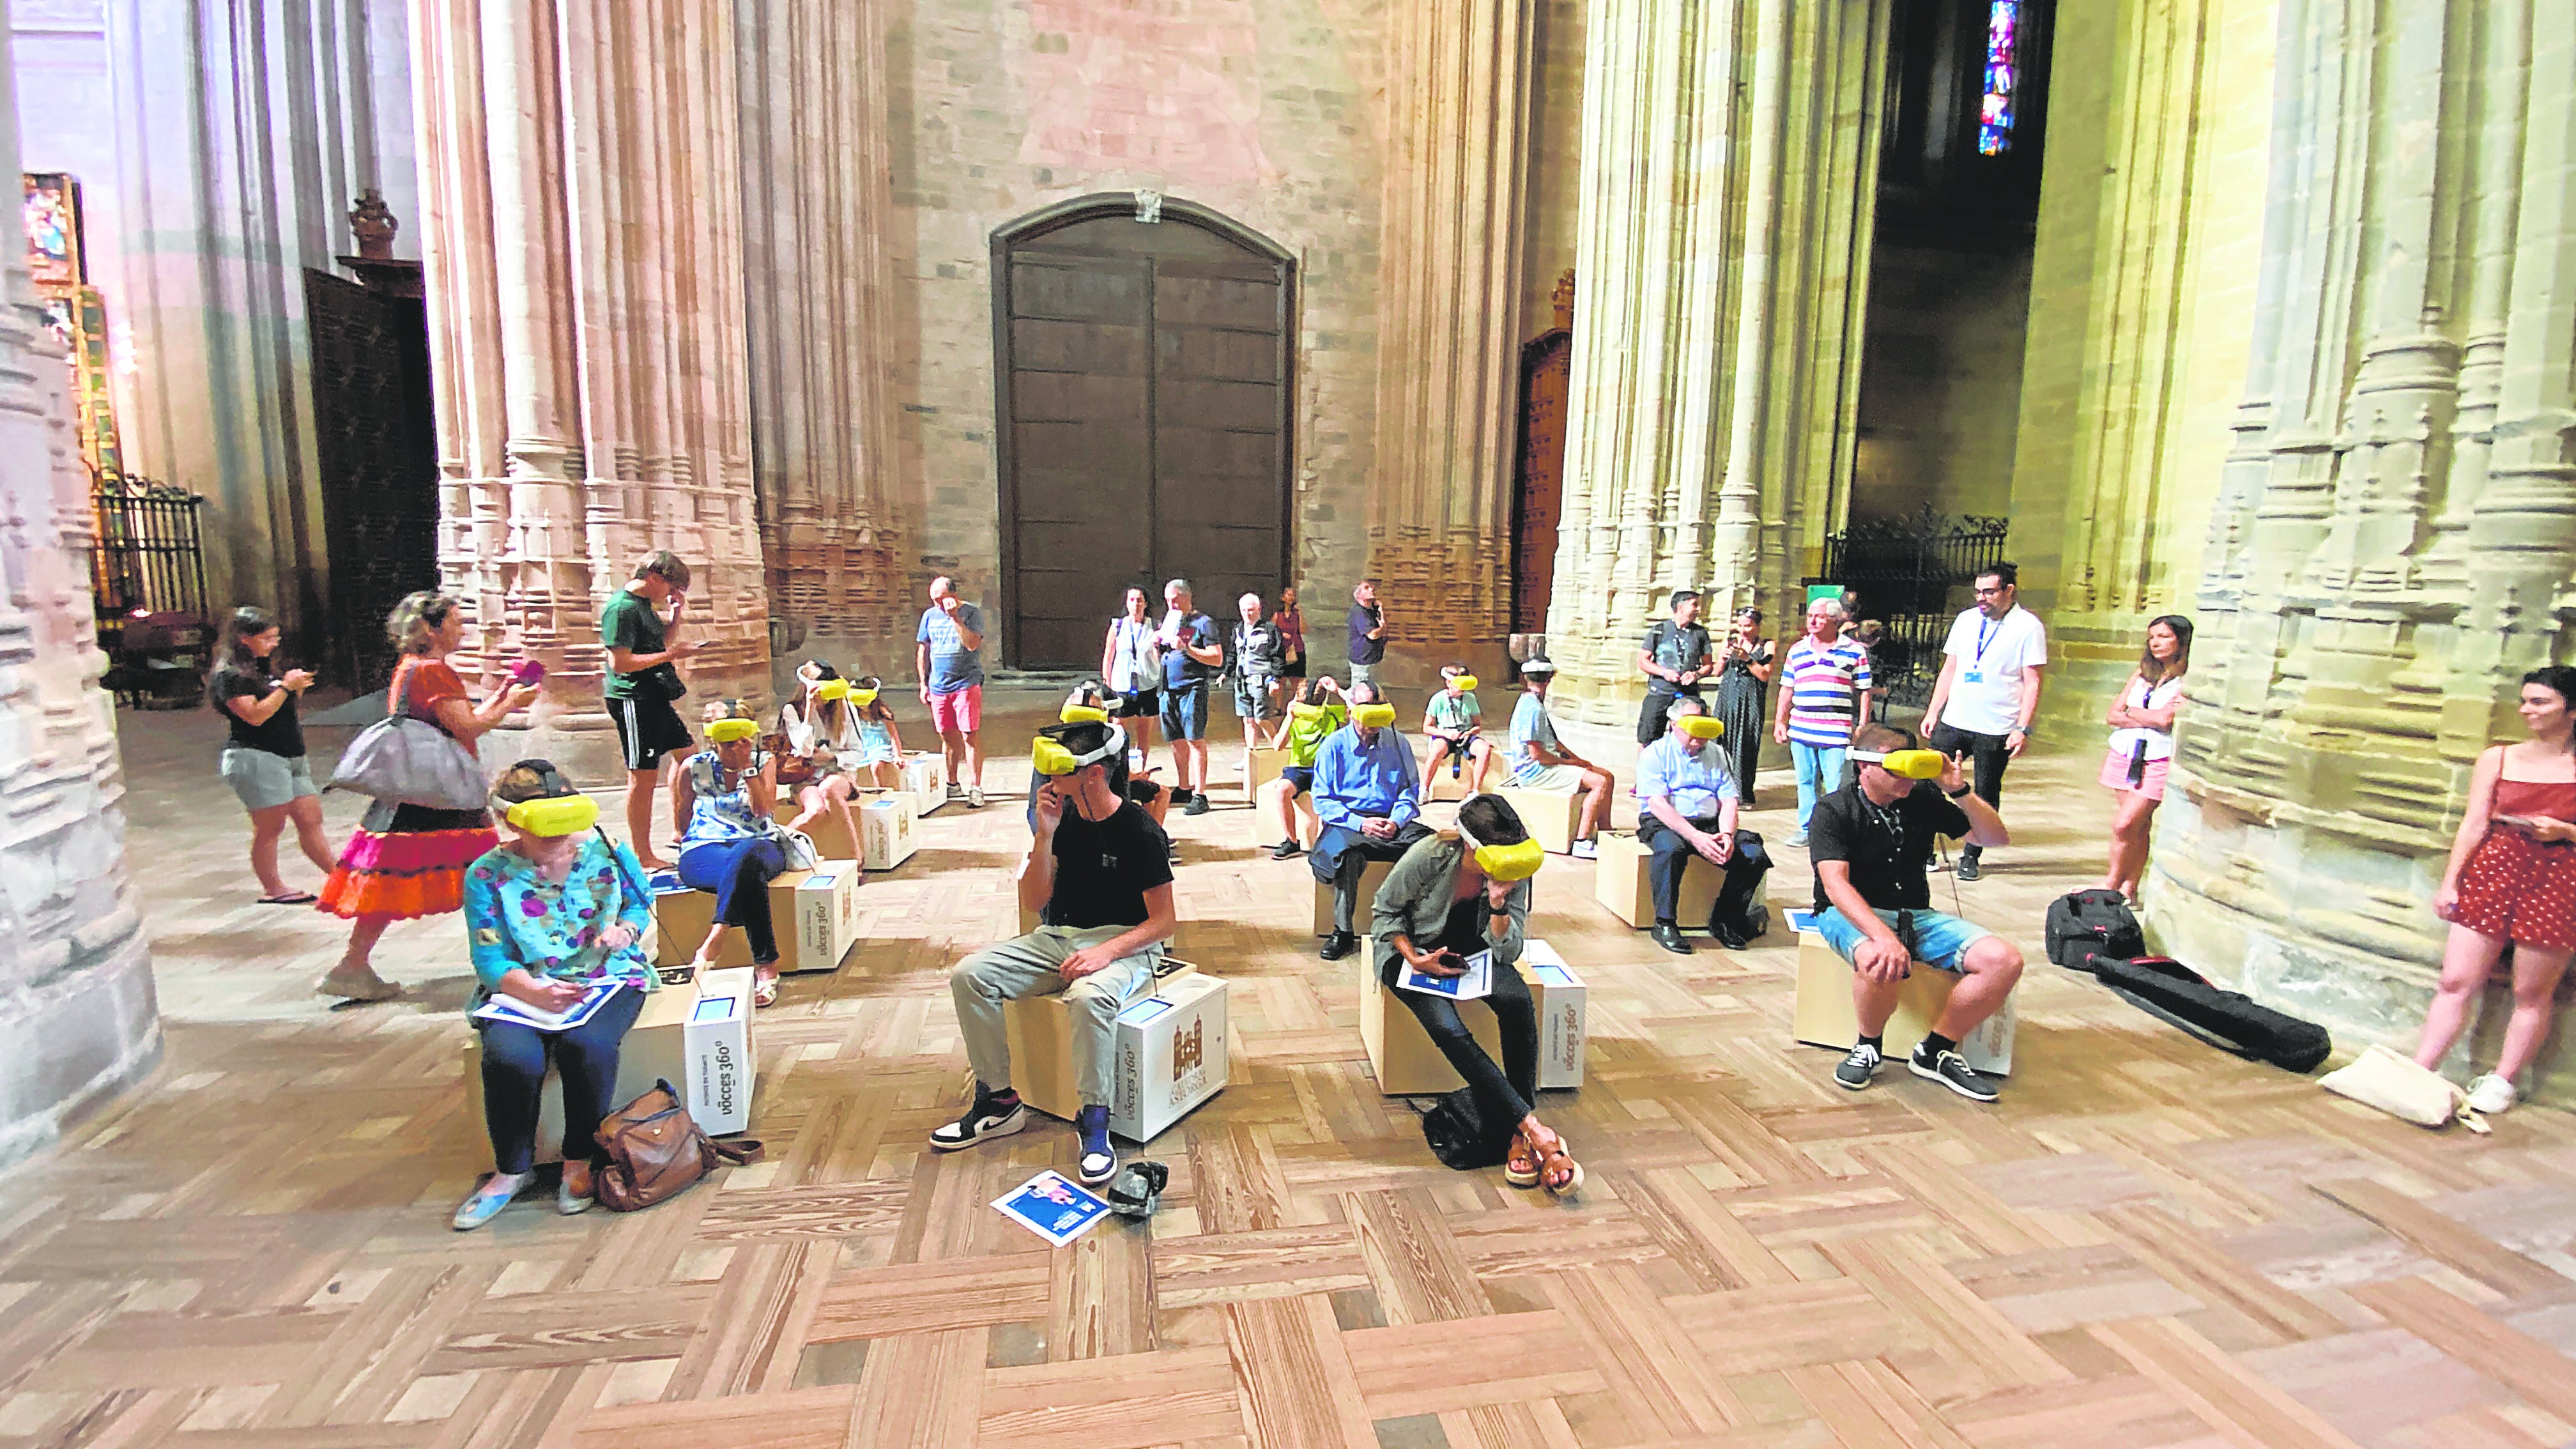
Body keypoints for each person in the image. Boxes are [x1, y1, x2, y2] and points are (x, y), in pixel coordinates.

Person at [937, 719, 1177, 1186]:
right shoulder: (1063, 819)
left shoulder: (1140, 829)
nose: (1050, 782)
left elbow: (1164, 923)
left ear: (1094, 774)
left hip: (1129, 944)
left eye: (1061, 770)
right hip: (1060, 936)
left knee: (1089, 998)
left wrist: (1107, 952)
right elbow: (1034, 901)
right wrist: (1043, 836)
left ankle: (1094, 1121)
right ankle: (1000, 1102)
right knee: (970, 975)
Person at [450, 760, 656, 1229]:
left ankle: (579, 1160)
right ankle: (511, 1170)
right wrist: (533, 991)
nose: (558, 846)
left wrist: (626, 930)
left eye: (565, 831)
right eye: (546, 835)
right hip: (522, 986)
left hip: (605, 975)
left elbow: (639, 903)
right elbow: (489, 957)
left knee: (589, 1047)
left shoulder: (607, 850)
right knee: (510, 1057)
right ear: (511, 822)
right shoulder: (487, 875)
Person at [319, 592, 537, 1003]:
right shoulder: (433, 671)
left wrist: (503, 691)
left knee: (388, 882)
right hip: (441, 794)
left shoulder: (412, 668)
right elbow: (468, 727)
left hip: (414, 792)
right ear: (432, 629)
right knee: (489, 873)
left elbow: (456, 720)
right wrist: (512, 703)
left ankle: (354, 964)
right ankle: (515, 960)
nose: (462, 629)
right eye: (455, 622)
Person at [1372, 795, 1581, 1195]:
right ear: (1472, 847)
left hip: (1476, 954)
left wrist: (1500, 904)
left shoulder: (1514, 871)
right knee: (1447, 1027)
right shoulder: (1429, 856)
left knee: (1518, 1002)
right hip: (1414, 952)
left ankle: (1520, 1134)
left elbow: (1509, 951)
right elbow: (1385, 911)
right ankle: (1532, 1128)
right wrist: (1414, 958)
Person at [1809, 724, 2020, 1103]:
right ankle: (1868, 1045)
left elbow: (1994, 838)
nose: (1906, 780)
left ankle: (1936, 1050)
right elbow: (1835, 885)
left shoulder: (1921, 797)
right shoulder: (1834, 809)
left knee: (2004, 960)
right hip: (1851, 911)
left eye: (1913, 769)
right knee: (1879, 959)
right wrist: (1883, 936)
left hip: (1915, 913)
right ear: (1865, 767)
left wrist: (1959, 789)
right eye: (1896, 771)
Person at [2416, 666, 2576, 1116]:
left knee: (2532, 990)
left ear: (2571, 708)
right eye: (2525, 701)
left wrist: (2565, 830)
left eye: (2540, 702)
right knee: (2456, 980)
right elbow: (2474, 823)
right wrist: (2451, 881)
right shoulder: (2499, 758)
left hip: (2561, 876)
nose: (2527, 710)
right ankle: (2423, 1066)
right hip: (2496, 866)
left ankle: (2503, 1080)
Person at [1922, 564, 2046, 881]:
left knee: (1985, 791)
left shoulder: (2028, 627)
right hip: (1955, 718)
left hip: (1997, 724)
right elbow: (1950, 668)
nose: (1982, 598)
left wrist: (2022, 727)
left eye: (1989, 592)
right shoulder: (1966, 620)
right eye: (1978, 591)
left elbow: (2032, 681)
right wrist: (1934, 710)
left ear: (2009, 591)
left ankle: (1971, 854)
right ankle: (1924, 849)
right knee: (1927, 782)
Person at [208, 605, 332, 904]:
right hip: (255, 756)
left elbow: (282, 710)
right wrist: (287, 687)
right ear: (243, 638)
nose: (274, 644)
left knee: (311, 818)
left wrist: (293, 688)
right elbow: (255, 716)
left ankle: (342, 877)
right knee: (271, 826)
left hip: (291, 754)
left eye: (276, 637)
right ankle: (273, 888)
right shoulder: (230, 676)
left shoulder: (262, 668)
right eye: (267, 638)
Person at [1634, 698, 1772, 954]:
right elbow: (1657, 803)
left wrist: (1727, 835)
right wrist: (1695, 838)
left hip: (1709, 821)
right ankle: (1664, 922)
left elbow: (1728, 798)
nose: (1699, 737)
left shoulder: (1717, 754)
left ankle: (1726, 920)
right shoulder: (1655, 753)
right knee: (1671, 849)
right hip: (1667, 820)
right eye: (1692, 728)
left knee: (1753, 855)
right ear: (1675, 724)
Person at [672, 702, 788, 1008]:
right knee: (745, 875)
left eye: (741, 736)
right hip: (705, 847)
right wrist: (685, 840)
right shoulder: (692, 766)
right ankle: (766, 966)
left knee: (745, 856)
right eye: (727, 738)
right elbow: (682, 813)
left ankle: (716, 938)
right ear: (712, 737)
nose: (734, 744)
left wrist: (746, 768)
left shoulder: (764, 762)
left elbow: (763, 810)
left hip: (759, 842)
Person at [1310, 684, 1430, 960]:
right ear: (1351, 710)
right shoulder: (1334, 745)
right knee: (1346, 856)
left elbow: (1409, 790)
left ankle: (1419, 925)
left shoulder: (1398, 742)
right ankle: (1342, 932)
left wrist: (1397, 821)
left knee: (1435, 848)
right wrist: (1359, 824)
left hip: (1390, 819)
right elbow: (1323, 800)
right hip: (1349, 822)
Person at [601, 551, 699, 871]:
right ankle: (643, 855)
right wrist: (673, 653)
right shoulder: (621, 609)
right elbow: (621, 662)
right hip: (633, 698)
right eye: (670, 589)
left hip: (654, 695)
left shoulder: (644, 606)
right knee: (643, 777)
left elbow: (657, 645)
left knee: (689, 755)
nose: (670, 596)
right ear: (654, 577)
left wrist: (676, 616)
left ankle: (679, 829)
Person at [2099, 616, 2191, 901]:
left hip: (2156, 759)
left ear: (2181, 641)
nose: (2156, 643)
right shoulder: (2141, 674)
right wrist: (2145, 718)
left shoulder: (2187, 681)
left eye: (2164, 636)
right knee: (2139, 827)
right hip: (2126, 753)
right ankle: (2130, 887)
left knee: (2124, 825)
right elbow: (2113, 715)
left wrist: (2135, 714)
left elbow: (2166, 721)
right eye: (2152, 637)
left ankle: (2110, 884)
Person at [1773, 597, 1874, 847]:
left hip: (1835, 730)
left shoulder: (1854, 650)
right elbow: (1787, 687)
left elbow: (1864, 690)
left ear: (1835, 620)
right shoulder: (1797, 650)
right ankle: (1807, 828)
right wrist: (1780, 721)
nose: (1812, 621)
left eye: (1819, 617)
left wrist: (1862, 725)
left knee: (1837, 783)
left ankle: (1836, 830)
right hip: (1802, 727)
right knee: (1805, 781)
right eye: (1810, 616)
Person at [1505, 659, 1614, 859]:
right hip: (1534, 772)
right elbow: (1537, 755)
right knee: (1600, 783)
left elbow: (1553, 743)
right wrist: (1571, 763)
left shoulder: (1531, 701)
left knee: (1607, 775)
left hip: (1544, 765)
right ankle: (1582, 842)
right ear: (1549, 679)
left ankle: (1606, 832)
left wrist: (1580, 761)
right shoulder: (1533, 709)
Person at [1038, 685, 1170, 832]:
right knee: (1161, 793)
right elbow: (1121, 783)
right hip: (1101, 815)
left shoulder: (1050, 744)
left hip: (1051, 822)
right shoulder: (1114, 741)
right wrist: (1140, 776)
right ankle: (1156, 838)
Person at [916, 576, 988, 808]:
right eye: (934, 600)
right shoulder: (929, 616)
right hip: (938, 685)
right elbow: (923, 650)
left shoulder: (971, 613)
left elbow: (972, 644)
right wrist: (923, 683)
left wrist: (954, 617)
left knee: (969, 735)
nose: (938, 605)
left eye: (941, 600)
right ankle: (952, 783)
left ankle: (976, 787)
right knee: (946, 735)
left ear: (953, 595)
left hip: (966, 683)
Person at [774, 664, 865, 845]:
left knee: (829, 789)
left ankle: (856, 856)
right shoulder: (792, 710)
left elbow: (859, 752)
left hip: (839, 772)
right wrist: (809, 710)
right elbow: (805, 751)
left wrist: (832, 757)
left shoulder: (846, 708)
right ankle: (776, 845)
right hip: (806, 776)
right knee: (817, 809)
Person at [1157, 578, 1225, 815]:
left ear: (1188, 597)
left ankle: (1200, 793)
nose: (1171, 605)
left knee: (1195, 739)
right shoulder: (1170, 622)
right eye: (1168, 601)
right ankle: (1184, 786)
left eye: (1175, 600)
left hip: (1192, 688)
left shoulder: (1204, 623)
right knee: (1176, 740)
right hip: (1167, 688)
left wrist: (1186, 648)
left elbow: (1217, 658)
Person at [1262, 675, 1347, 859]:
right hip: (1299, 768)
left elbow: (1357, 710)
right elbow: (1278, 745)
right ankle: (1291, 841)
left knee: (1332, 796)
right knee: (1282, 790)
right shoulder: (1295, 716)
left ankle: (1328, 841)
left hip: (1324, 768)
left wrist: (1337, 690)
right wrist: (1290, 717)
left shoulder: (1331, 712)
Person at [1712, 607, 1775, 808]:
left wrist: (1747, 658)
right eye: (1740, 626)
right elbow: (1716, 672)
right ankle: (1719, 789)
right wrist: (1723, 658)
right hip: (1728, 696)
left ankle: (1742, 792)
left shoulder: (1767, 645)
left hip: (1750, 699)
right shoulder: (1732, 641)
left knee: (1746, 742)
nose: (1743, 630)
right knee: (1721, 741)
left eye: (1748, 626)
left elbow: (1765, 674)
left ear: (1758, 626)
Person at [1636, 588, 1713, 746]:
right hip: (1660, 693)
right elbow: (1643, 661)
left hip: (1687, 696)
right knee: (1648, 739)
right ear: (1681, 607)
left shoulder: (1700, 634)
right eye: (1695, 605)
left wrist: (1696, 675)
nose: (1699, 609)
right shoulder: (1659, 630)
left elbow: (1708, 666)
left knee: (1686, 738)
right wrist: (1664, 672)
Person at [1229, 591, 1284, 804]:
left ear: (1259, 609)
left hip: (1261, 680)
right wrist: (1227, 671)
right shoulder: (1238, 629)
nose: (1247, 614)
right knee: (1248, 719)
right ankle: (1250, 756)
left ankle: (1278, 749)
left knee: (1262, 718)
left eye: (1251, 609)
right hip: (1242, 680)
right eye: (1243, 610)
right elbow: (1234, 654)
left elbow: (1278, 655)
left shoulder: (1270, 629)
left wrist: (1275, 679)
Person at [1100, 586, 1163, 763]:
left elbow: (1162, 655)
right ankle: (1118, 770)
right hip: (1122, 686)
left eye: (1139, 600)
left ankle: (1141, 772)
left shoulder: (1156, 627)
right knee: (1117, 731)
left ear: (1146, 603)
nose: (1136, 604)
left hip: (1148, 685)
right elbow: (1109, 656)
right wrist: (1108, 683)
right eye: (1132, 600)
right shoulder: (1117, 626)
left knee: (1144, 734)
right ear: (1127, 604)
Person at [1422, 664, 1495, 793]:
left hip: (1465, 735)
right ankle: (1424, 789)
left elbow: (1477, 725)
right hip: (1445, 735)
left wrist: (1469, 733)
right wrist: (1446, 734)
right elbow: (1427, 728)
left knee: (1484, 750)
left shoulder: (1470, 698)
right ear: (1448, 683)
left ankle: (1475, 790)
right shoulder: (1438, 699)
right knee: (1437, 749)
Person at [845, 675, 906, 790]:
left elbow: (893, 735)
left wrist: (898, 755)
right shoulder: (851, 713)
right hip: (862, 746)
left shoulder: (881, 712)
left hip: (880, 746)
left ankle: (882, 792)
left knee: (877, 764)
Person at [1271, 585, 1308, 709]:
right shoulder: (1278, 615)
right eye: (1288, 594)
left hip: (1297, 650)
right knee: (1280, 680)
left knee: (1296, 681)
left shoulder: (1297, 615)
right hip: (1282, 651)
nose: (1291, 597)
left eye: (1293, 595)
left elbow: (1303, 630)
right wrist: (1281, 635)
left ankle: (1295, 705)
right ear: (1283, 597)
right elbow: (1271, 632)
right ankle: (1278, 707)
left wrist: (1301, 612)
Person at [1347, 578, 1386, 691]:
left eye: (1371, 587)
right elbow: (1372, 635)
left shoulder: (1372, 610)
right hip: (1363, 662)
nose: (1371, 589)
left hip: (1373, 659)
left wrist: (1381, 611)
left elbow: (1384, 629)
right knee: (1360, 695)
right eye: (1366, 588)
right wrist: (1382, 629)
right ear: (1358, 595)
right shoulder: (1359, 612)